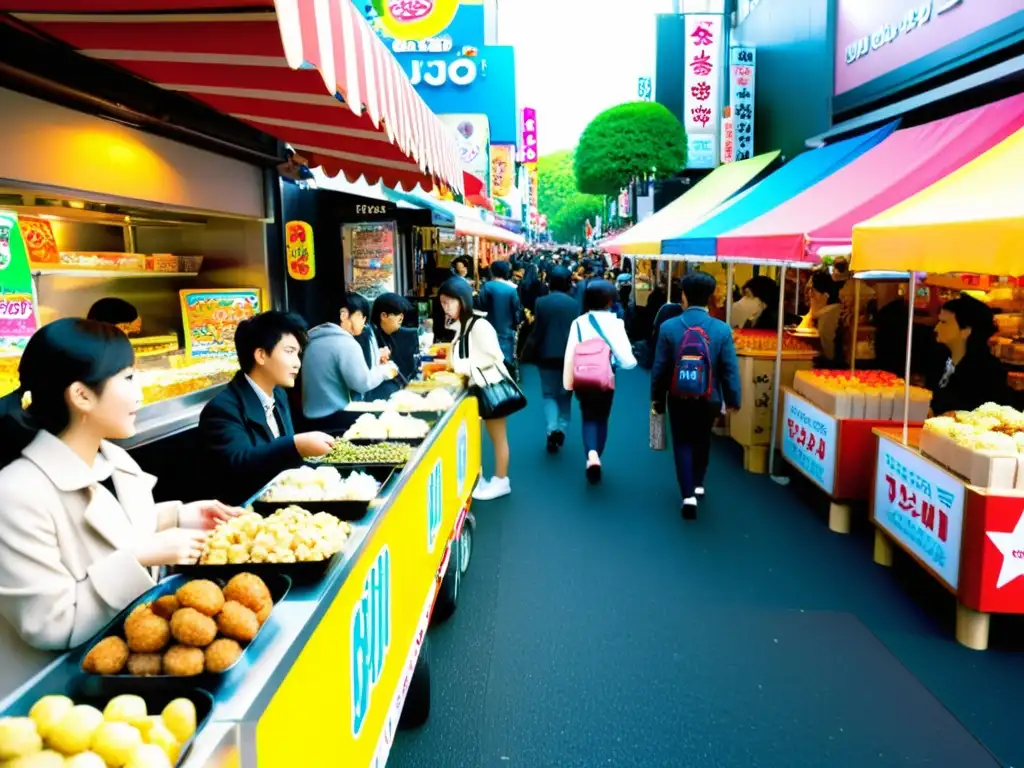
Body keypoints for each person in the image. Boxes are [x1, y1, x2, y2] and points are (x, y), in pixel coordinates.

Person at [0, 319, 239, 692]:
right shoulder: (16, 494)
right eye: (128, 379)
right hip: (61, 694)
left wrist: (180, 515)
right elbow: (48, 622)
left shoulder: (112, 460)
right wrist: (140, 557)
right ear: (81, 395)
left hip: (130, 669)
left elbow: (117, 527)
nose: (140, 394)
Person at [199, 311, 333, 505]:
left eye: (298, 353)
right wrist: (295, 445)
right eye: (289, 351)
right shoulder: (222, 410)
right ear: (261, 355)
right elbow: (238, 465)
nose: (297, 362)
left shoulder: (278, 394)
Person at [652, 271, 741, 520]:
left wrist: (656, 397)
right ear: (710, 297)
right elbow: (729, 367)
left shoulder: (669, 327)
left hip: (678, 395)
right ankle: (699, 482)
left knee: (681, 441)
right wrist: (733, 398)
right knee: (702, 439)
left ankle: (687, 494)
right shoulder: (721, 329)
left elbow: (660, 367)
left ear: (684, 295)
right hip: (710, 396)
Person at [440, 277, 515, 501]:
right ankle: (484, 477)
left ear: (462, 300)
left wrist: (461, 366)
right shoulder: (463, 325)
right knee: (480, 434)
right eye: (442, 303)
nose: (446, 307)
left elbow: (497, 357)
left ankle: (501, 481)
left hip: (490, 387)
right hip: (478, 387)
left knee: (498, 437)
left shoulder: (479, 325)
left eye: (449, 302)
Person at [563, 279, 637, 483]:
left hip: (582, 377)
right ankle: (597, 454)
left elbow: (570, 354)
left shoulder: (578, 322)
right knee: (602, 417)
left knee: (588, 416)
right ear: (610, 301)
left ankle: (591, 454)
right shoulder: (616, 323)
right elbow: (627, 358)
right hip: (606, 378)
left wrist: (568, 382)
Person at [302, 293, 397, 431]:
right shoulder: (345, 342)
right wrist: (386, 371)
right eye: (361, 316)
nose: (364, 322)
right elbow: (363, 383)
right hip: (337, 418)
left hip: (310, 418)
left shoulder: (314, 339)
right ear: (344, 315)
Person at [928, 295, 1010, 415]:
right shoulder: (940, 359)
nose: (936, 328)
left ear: (966, 331)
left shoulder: (987, 370)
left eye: (944, 322)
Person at [530, 266, 577, 453]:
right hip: (569, 355)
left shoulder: (541, 302)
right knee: (565, 396)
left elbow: (538, 330)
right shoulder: (574, 304)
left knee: (549, 394)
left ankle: (551, 429)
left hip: (546, 353)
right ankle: (562, 429)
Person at [477, 260, 522, 375]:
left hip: (488, 328)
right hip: (507, 330)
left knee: (489, 360)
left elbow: (480, 305)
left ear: (492, 271)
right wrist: (516, 324)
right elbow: (516, 310)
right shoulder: (512, 290)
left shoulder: (487, 286)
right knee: (506, 360)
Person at [808, 269, 843, 367]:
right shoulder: (825, 311)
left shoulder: (829, 315)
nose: (811, 295)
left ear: (825, 295)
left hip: (831, 367)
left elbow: (829, 349)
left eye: (813, 291)